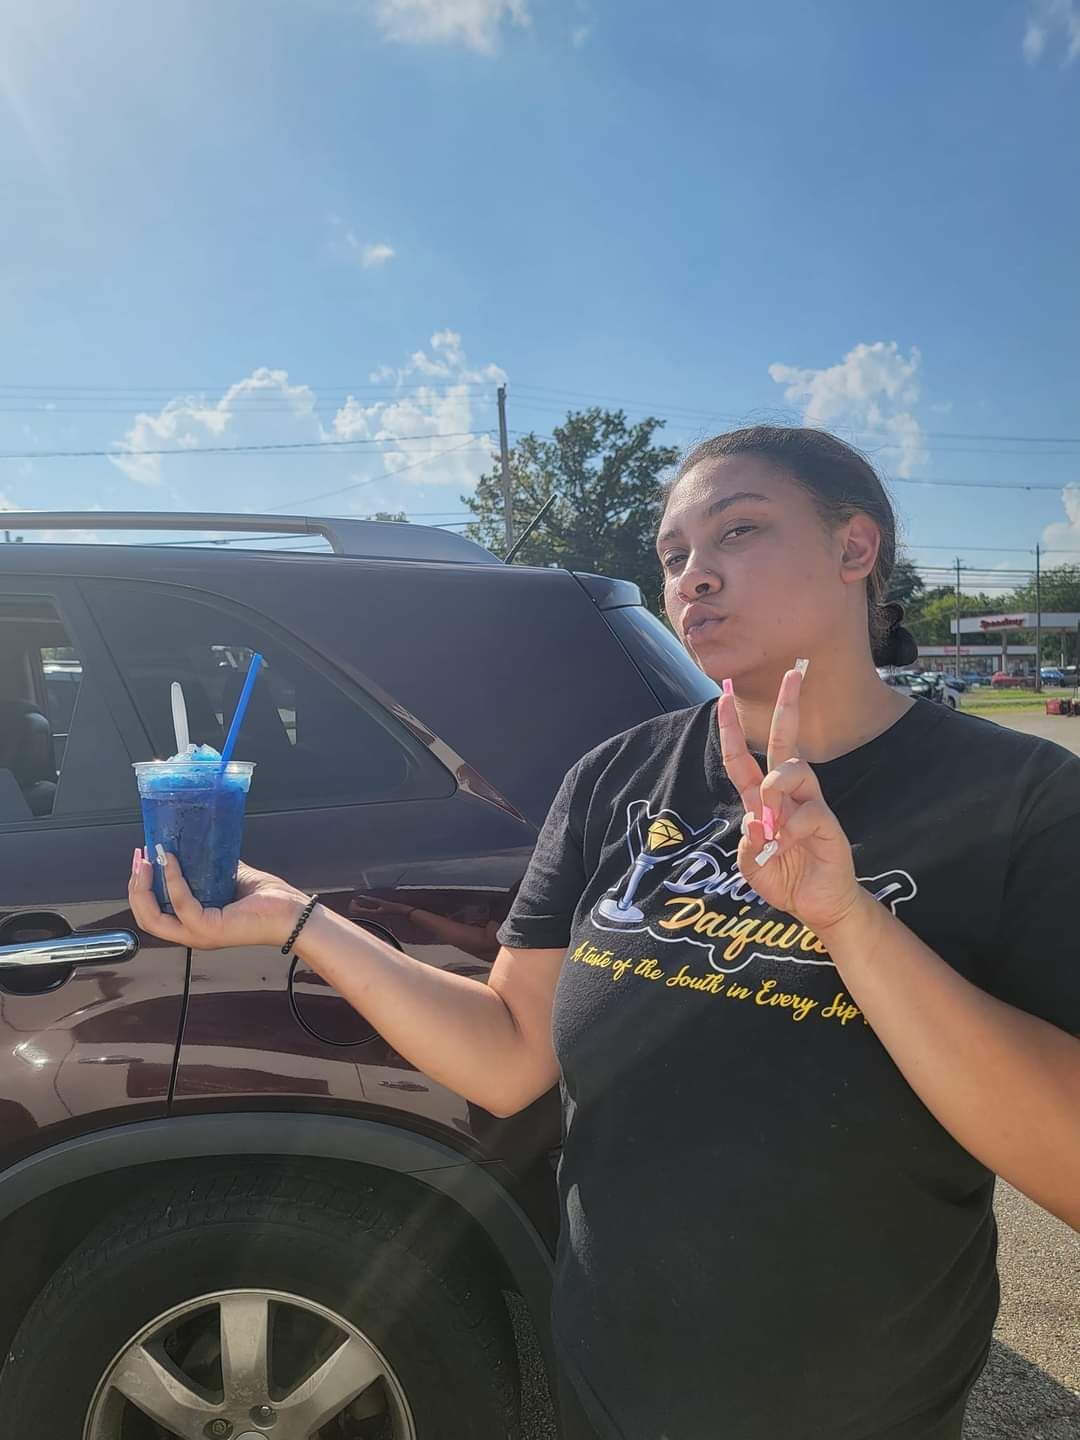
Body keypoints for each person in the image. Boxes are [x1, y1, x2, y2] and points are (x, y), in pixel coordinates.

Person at [129, 425, 1080, 1440]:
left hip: (855, 1407)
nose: (694, 576)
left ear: (856, 549)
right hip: (607, 1390)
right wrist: (297, 921)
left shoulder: (1019, 799)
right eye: (673, 556)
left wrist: (851, 923)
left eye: (738, 532)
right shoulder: (617, 782)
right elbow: (506, 1052)